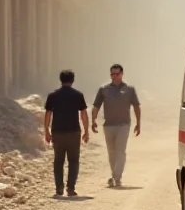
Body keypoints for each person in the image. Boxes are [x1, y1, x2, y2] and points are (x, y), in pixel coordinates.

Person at [91, 63, 141, 188]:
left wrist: (138, 123)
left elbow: (136, 106)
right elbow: (96, 106)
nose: (114, 76)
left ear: (122, 74)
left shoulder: (129, 89)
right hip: (108, 125)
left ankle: (116, 177)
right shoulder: (104, 89)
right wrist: (93, 120)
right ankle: (114, 175)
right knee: (111, 151)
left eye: (117, 74)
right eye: (112, 74)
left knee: (120, 150)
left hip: (124, 125)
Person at [44, 69, 90, 197]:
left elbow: (48, 114)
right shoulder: (78, 95)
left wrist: (46, 130)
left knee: (58, 160)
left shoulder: (52, 95)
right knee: (73, 160)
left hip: (57, 132)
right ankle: (70, 188)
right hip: (73, 132)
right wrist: (86, 131)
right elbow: (83, 114)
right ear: (73, 80)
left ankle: (59, 187)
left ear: (61, 80)